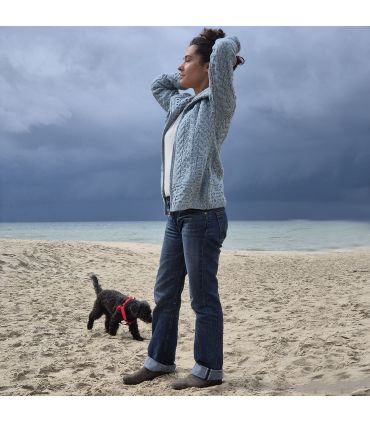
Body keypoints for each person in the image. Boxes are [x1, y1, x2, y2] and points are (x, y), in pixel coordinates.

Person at [123, 28, 244, 390]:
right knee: (164, 294)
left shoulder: (218, 102)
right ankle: (159, 361)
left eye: (188, 59)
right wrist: (185, 71)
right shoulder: (181, 104)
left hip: (204, 213)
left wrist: (220, 47)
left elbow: (223, 48)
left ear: (210, 67)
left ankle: (208, 371)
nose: (180, 65)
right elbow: (158, 86)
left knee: (202, 297)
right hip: (177, 214)